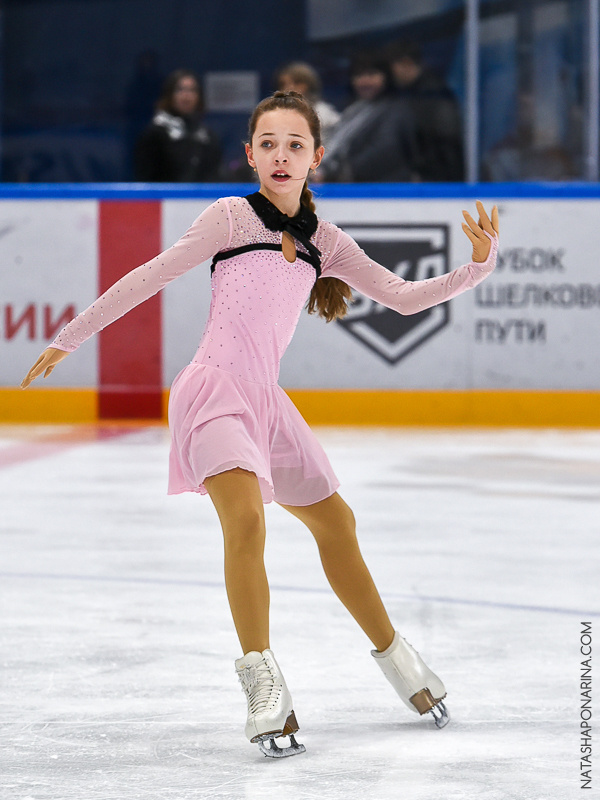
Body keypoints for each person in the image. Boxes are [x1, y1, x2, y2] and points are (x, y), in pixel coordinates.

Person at [22, 91, 499, 759]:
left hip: (267, 406)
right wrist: (69, 338)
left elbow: (403, 297)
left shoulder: (326, 242)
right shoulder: (228, 217)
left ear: (316, 157)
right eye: (268, 144)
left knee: (338, 525)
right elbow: (149, 276)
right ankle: (263, 685)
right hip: (212, 393)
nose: (281, 155)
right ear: (250, 155)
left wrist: (478, 266)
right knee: (246, 522)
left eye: (294, 145)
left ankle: (400, 660)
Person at [318, 53, 416, 182]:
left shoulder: (395, 110)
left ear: (386, 77)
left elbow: (384, 149)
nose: (364, 81)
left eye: (371, 74)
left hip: (381, 188)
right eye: (359, 75)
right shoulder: (353, 110)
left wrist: (336, 174)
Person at [387, 41, 464, 182]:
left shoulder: (432, 94)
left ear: (406, 63)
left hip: (438, 179)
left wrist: (424, 172)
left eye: (393, 70)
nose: (392, 77)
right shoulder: (413, 93)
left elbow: (446, 141)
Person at [134, 69, 222, 182]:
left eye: (192, 90)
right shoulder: (155, 134)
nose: (187, 96)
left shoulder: (207, 136)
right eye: (180, 89)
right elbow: (145, 178)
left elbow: (215, 175)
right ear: (170, 95)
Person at [275, 61, 341, 143]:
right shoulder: (276, 116)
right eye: (282, 85)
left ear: (306, 85)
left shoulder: (326, 115)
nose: (286, 89)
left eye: (296, 83)